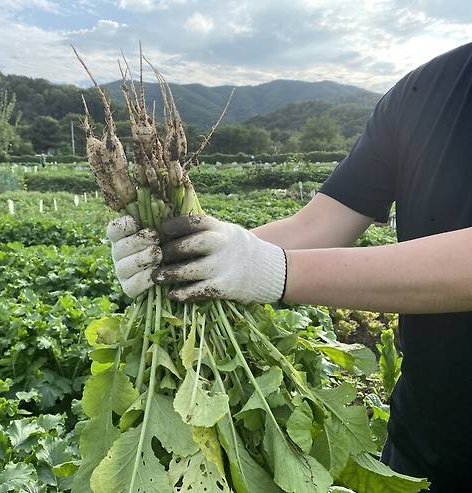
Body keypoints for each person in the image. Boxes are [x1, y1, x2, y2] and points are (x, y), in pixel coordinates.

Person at [106, 42, 472, 492]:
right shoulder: (424, 90)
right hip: (425, 447)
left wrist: (276, 272)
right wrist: (193, 253)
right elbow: (320, 222)